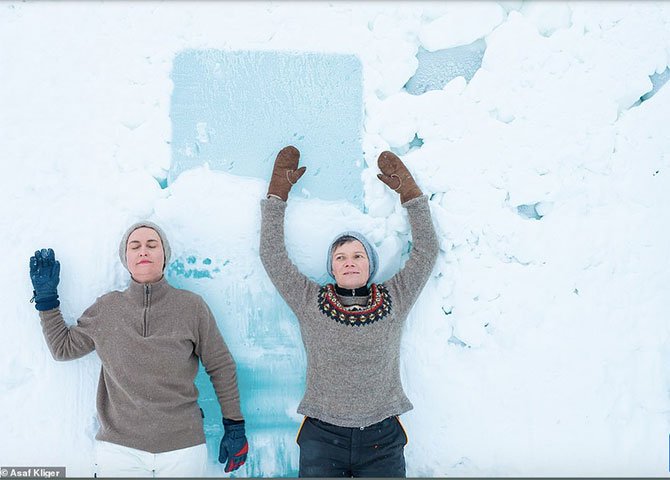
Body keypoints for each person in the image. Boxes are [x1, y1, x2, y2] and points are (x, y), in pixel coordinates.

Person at [259, 146, 439, 477]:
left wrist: (409, 193)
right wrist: (277, 193)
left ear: (370, 264)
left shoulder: (393, 297)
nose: (350, 261)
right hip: (323, 437)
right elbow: (272, 255)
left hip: (381, 439)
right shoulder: (309, 300)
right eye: (341, 257)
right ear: (332, 267)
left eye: (358, 255)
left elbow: (427, 251)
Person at [29, 221, 248, 477]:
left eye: (152, 245)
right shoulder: (107, 309)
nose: (143, 251)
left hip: (183, 448)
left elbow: (220, 365)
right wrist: (46, 299)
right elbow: (63, 348)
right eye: (135, 246)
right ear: (126, 258)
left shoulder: (192, 307)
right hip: (119, 450)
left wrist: (234, 425)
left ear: (164, 255)